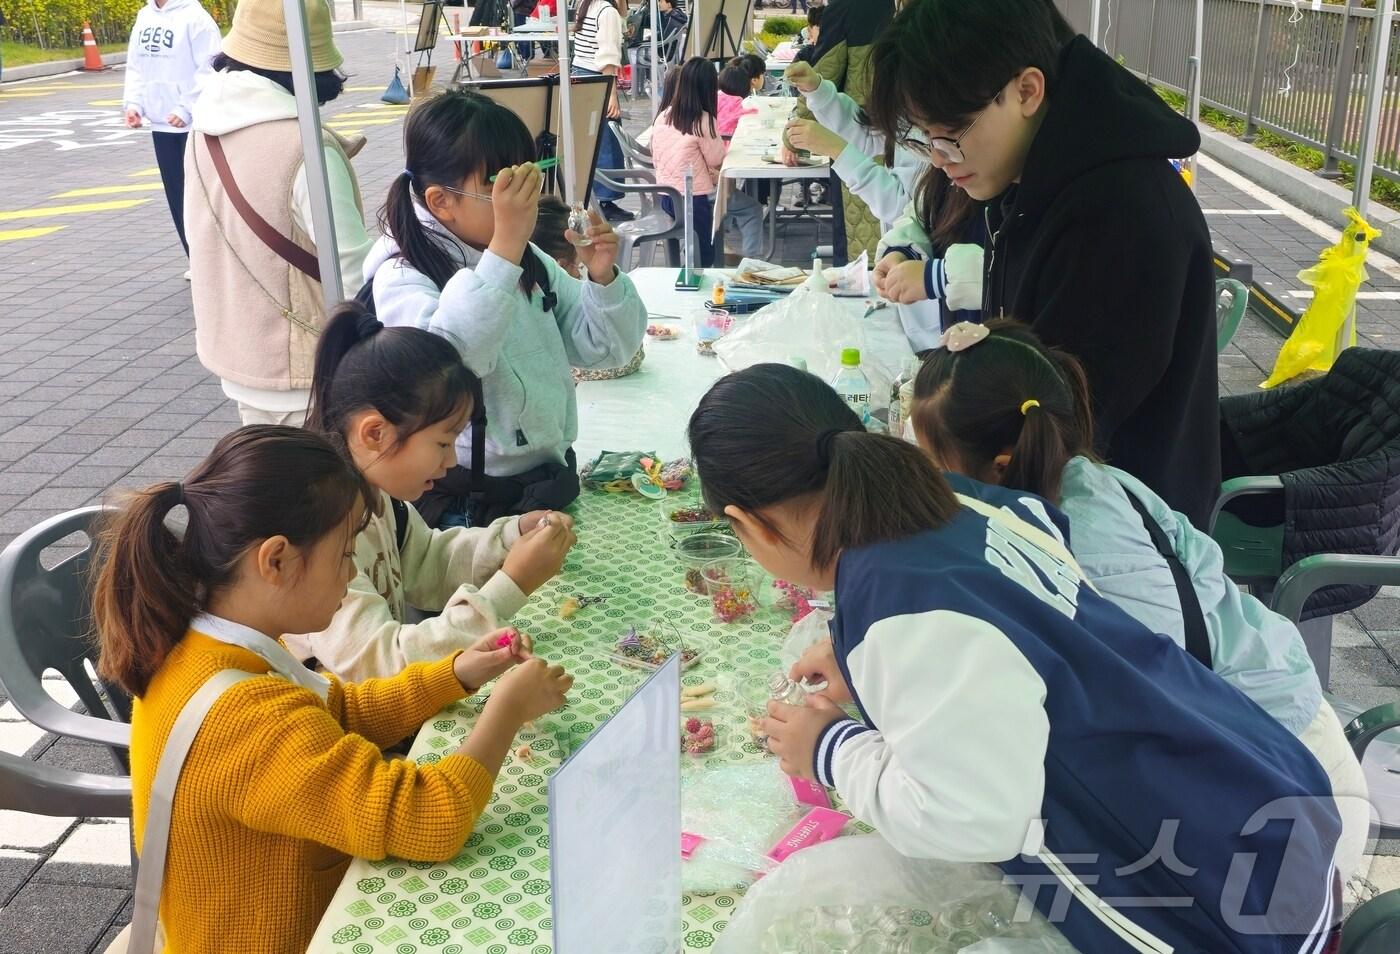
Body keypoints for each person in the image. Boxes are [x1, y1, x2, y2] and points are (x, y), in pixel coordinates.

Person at [687, 364, 1342, 954]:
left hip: (1215, 908)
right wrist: (865, 657)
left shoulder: (898, 606)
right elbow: (1007, 627)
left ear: (751, 526)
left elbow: (971, 821)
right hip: (1266, 795)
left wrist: (832, 745)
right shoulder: (951, 496)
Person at [908, 319, 1372, 881]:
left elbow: (1150, 692)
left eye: (934, 462)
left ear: (999, 465)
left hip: (1283, 795)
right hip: (1255, 744)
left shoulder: (1089, 548)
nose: (930, 478)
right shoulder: (1084, 480)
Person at [95, 425, 573, 953]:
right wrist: (505, 710)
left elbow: (338, 708)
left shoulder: (206, 643)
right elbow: (428, 819)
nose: (351, 576)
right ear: (275, 560)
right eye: (345, 555)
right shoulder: (248, 717)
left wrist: (455, 673)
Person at [867, 0, 1218, 527]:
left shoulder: (1123, 215)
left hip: (1119, 526)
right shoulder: (1021, 172)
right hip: (1042, 491)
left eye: (949, 135)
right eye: (925, 138)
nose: (938, 158)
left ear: (1027, 91)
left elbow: (1066, 427)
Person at [365, 88, 647, 528]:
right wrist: (506, 248)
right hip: (470, 502)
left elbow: (606, 350)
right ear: (442, 201)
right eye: (500, 186)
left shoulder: (528, 259)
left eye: (526, 178)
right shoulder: (404, 275)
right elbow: (447, 371)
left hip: (546, 477)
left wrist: (602, 278)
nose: (523, 201)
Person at [283, 303, 578, 681]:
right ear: (375, 434)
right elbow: (383, 663)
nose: (452, 462)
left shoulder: (373, 494)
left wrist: (512, 537)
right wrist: (513, 583)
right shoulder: (321, 534)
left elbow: (427, 562)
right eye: (443, 443)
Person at [185, 0, 372, 427]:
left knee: (280, 487)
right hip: (308, 368)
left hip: (237, 357)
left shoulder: (205, 129)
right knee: (336, 492)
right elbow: (354, 277)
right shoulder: (306, 150)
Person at [788, 0, 896, 265]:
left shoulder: (849, 9)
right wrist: (816, 90)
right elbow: (868, 128)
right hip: (870, 151)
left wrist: (798, 137)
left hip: (872, 169)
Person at [122, 0, 221, 268]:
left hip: (193, 125)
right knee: (177, 197)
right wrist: (134, 104)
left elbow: (211, 67)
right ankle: (197, 262)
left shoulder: (195, 18)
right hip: (160, 123)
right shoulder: (144, 16)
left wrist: (186, 107)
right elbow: (136, 66)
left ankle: (214, 263)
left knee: (201, 197)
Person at [647, 57, 765, 267]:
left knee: (720, 212)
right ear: (710, 87)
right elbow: (717, 159)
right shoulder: (703, 120)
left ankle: (714, 249)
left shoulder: (663, 115)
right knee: (750, 209)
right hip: (695, 197)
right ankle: (752, 265)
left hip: (666, 196)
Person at [533, 196, 646, 381]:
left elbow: (611, 348)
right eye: (580, 267)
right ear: (561, 265)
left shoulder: (543, 270)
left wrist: (604, 279)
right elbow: (625, 358)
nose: (582, 274)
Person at [572, 0, 633, 222]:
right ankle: (605, 201)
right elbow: (608, 56)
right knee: (607, 142)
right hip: (597, 78)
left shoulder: (587, 4)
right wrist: (612, 94)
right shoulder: (607, 12)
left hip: (580, 74)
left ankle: (597, 199)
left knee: (592, 140)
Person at [716, 64, 751, 139]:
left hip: (712, 142)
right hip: (733, 142)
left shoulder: (714, 98)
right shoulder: (742, 103)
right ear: (745, 86)